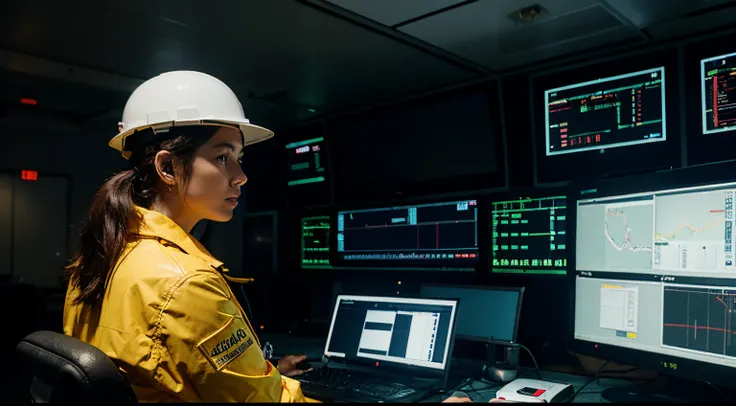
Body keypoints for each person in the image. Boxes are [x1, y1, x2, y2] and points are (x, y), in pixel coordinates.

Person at [63, 71, 314, 402]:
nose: (240, 176)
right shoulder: (186, 285)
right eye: (222, 157)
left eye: (239, 159)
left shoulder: (101, 254)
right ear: (167, 167)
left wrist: (262, 370)